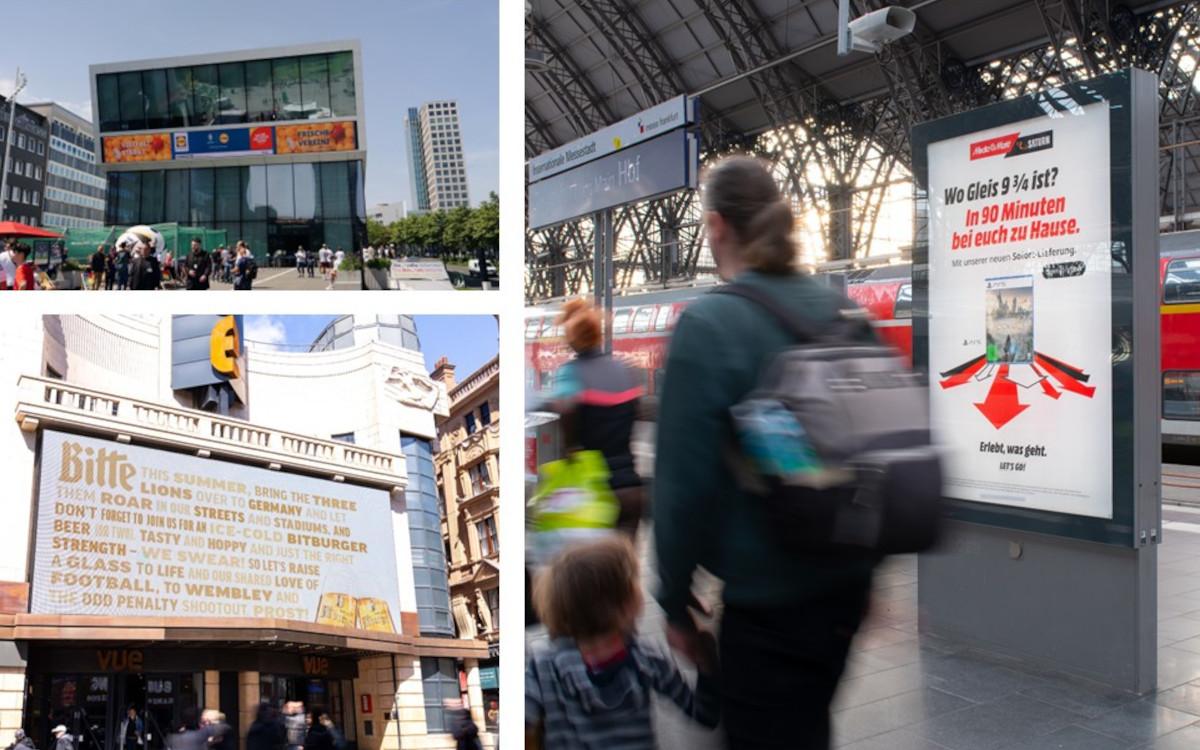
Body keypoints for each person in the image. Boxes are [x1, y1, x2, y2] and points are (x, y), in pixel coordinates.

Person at [654, 155, 877, 750]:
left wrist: (674, 602)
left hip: (767, 600)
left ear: (717, 227)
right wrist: (868, 571)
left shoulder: (709, 324)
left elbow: (681, 488)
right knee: (807, 726)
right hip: (844, 592)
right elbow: (880, 449)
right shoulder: (849, 314)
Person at [525, 536, 718, 749]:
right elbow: (704, 714)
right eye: (635, 581)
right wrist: (706, 661)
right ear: (622, 606)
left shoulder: (541, 665)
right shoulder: (647, 658)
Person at [544, 299, 644, 537]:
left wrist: (571, 448)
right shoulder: (625, 369)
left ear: (571, 338)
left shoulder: (570, 372)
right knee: (623, 569)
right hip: (631, 490)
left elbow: (566, 411)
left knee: (591, 571)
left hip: (594, 495)